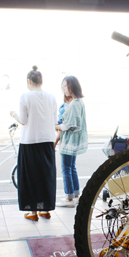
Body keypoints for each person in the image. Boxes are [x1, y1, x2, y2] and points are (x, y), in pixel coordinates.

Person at [10, 66, 58, 221]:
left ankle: (33, 212)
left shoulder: (25, 96)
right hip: (47, 142)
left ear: (29, 81)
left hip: (29, 142)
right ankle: (46, 210)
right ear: (41, 81)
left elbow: (23, 121)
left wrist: (14, 115)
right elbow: (54, 121)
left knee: (30, 178)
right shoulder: (51, 97)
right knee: (45, 177)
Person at [55, 76, 88, 207]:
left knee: (66, 169)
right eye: (62, 87)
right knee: (71, 168)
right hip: (73, 142)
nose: (63, 89)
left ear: (72, 86)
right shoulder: (79, 102)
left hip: (69, 142)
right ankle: (75, 195)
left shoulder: (74, 104)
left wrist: (54, 126)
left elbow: (67, 125)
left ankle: (69, 199)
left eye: (65, 86)